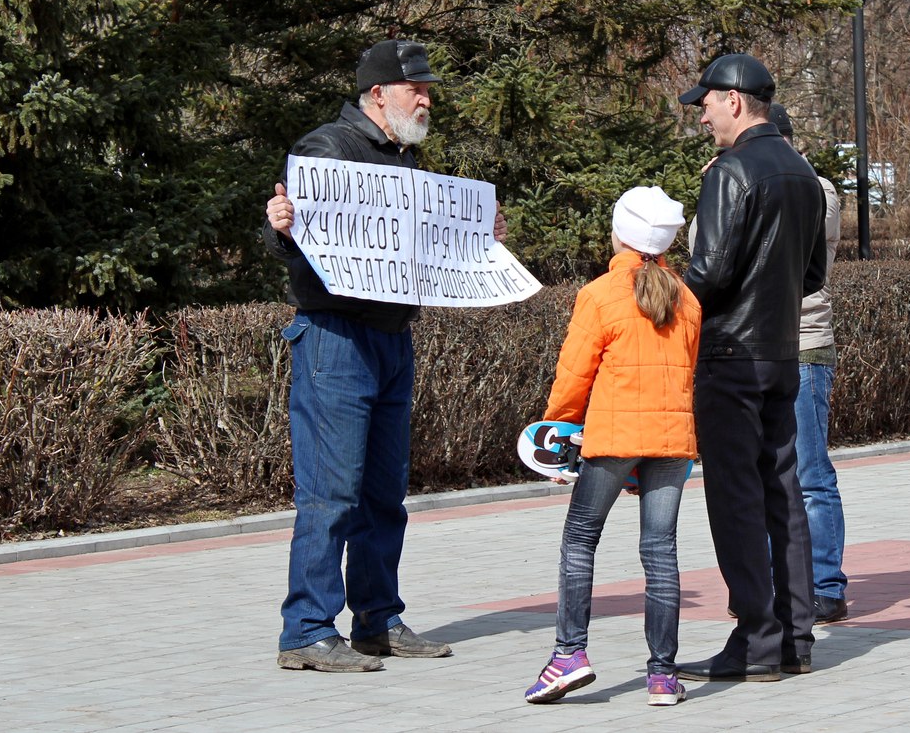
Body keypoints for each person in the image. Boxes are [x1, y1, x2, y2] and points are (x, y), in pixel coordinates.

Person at [264, 39, 507, 673]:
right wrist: (280, 225)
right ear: (379, 95)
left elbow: (412, 250)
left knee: (383, 494)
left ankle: (376, 618)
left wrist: (478, 236)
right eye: (416, 90)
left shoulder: (404, 159)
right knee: (332, 494)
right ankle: (307, 631)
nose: (427, 99)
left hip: (393, 338)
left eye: (426, 89)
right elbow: (294, 237)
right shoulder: (327, 149)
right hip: (336, 340)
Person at [674, 54, 827, 683]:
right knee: (781, 491)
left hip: (730, 357)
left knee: (734, 497)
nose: (702, 113)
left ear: (735, 101)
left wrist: (661, 312)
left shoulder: (732, 171)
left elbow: (706, 274)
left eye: (706, 101)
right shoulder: (802, 173)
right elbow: (813, 275)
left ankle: (757, 638)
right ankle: (794, 635)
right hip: (781, 354)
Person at [524, 186, 701, 707]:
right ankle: (663, 676)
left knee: (580, 540)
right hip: (672, 443)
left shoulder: (599, 294)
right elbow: (689, 372)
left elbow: (574, 375)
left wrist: (554, 431)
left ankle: (568, 656)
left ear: (621, 232)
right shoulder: (687, 298)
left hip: (613, 437)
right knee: (660, 552)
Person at [771, 104, 849, 624]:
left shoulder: (813, 189)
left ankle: (826, 585)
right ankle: (781, 584)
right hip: (766, 347)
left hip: (802, 346)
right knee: (772, 473)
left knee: (811, 473)